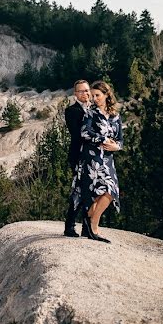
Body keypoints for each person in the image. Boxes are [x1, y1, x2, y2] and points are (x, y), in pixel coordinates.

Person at [70, 80, 122, 243]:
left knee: (110, 190)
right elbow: (84, 133)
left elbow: (120, 140)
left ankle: (90, 219)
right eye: (92, 96)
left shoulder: (115, 116)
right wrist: (103, 139)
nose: (94, 98)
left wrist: (116, 147)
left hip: (107, 159)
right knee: (93, 193)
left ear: (107, 95)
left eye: (97, 95)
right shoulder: (90, 113)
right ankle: (93, 228)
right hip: (92, 158)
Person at [63, 80, 91, 237]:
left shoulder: (95, 110)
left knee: (92, 192)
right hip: (79, 156)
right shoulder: (71, 111)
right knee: (78, 191)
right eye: (81, 91)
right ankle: (69, 226)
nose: (85, 94)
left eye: (87, 91)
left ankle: (87, 227)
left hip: (93, 157)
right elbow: (77, 134)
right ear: (75, 94)